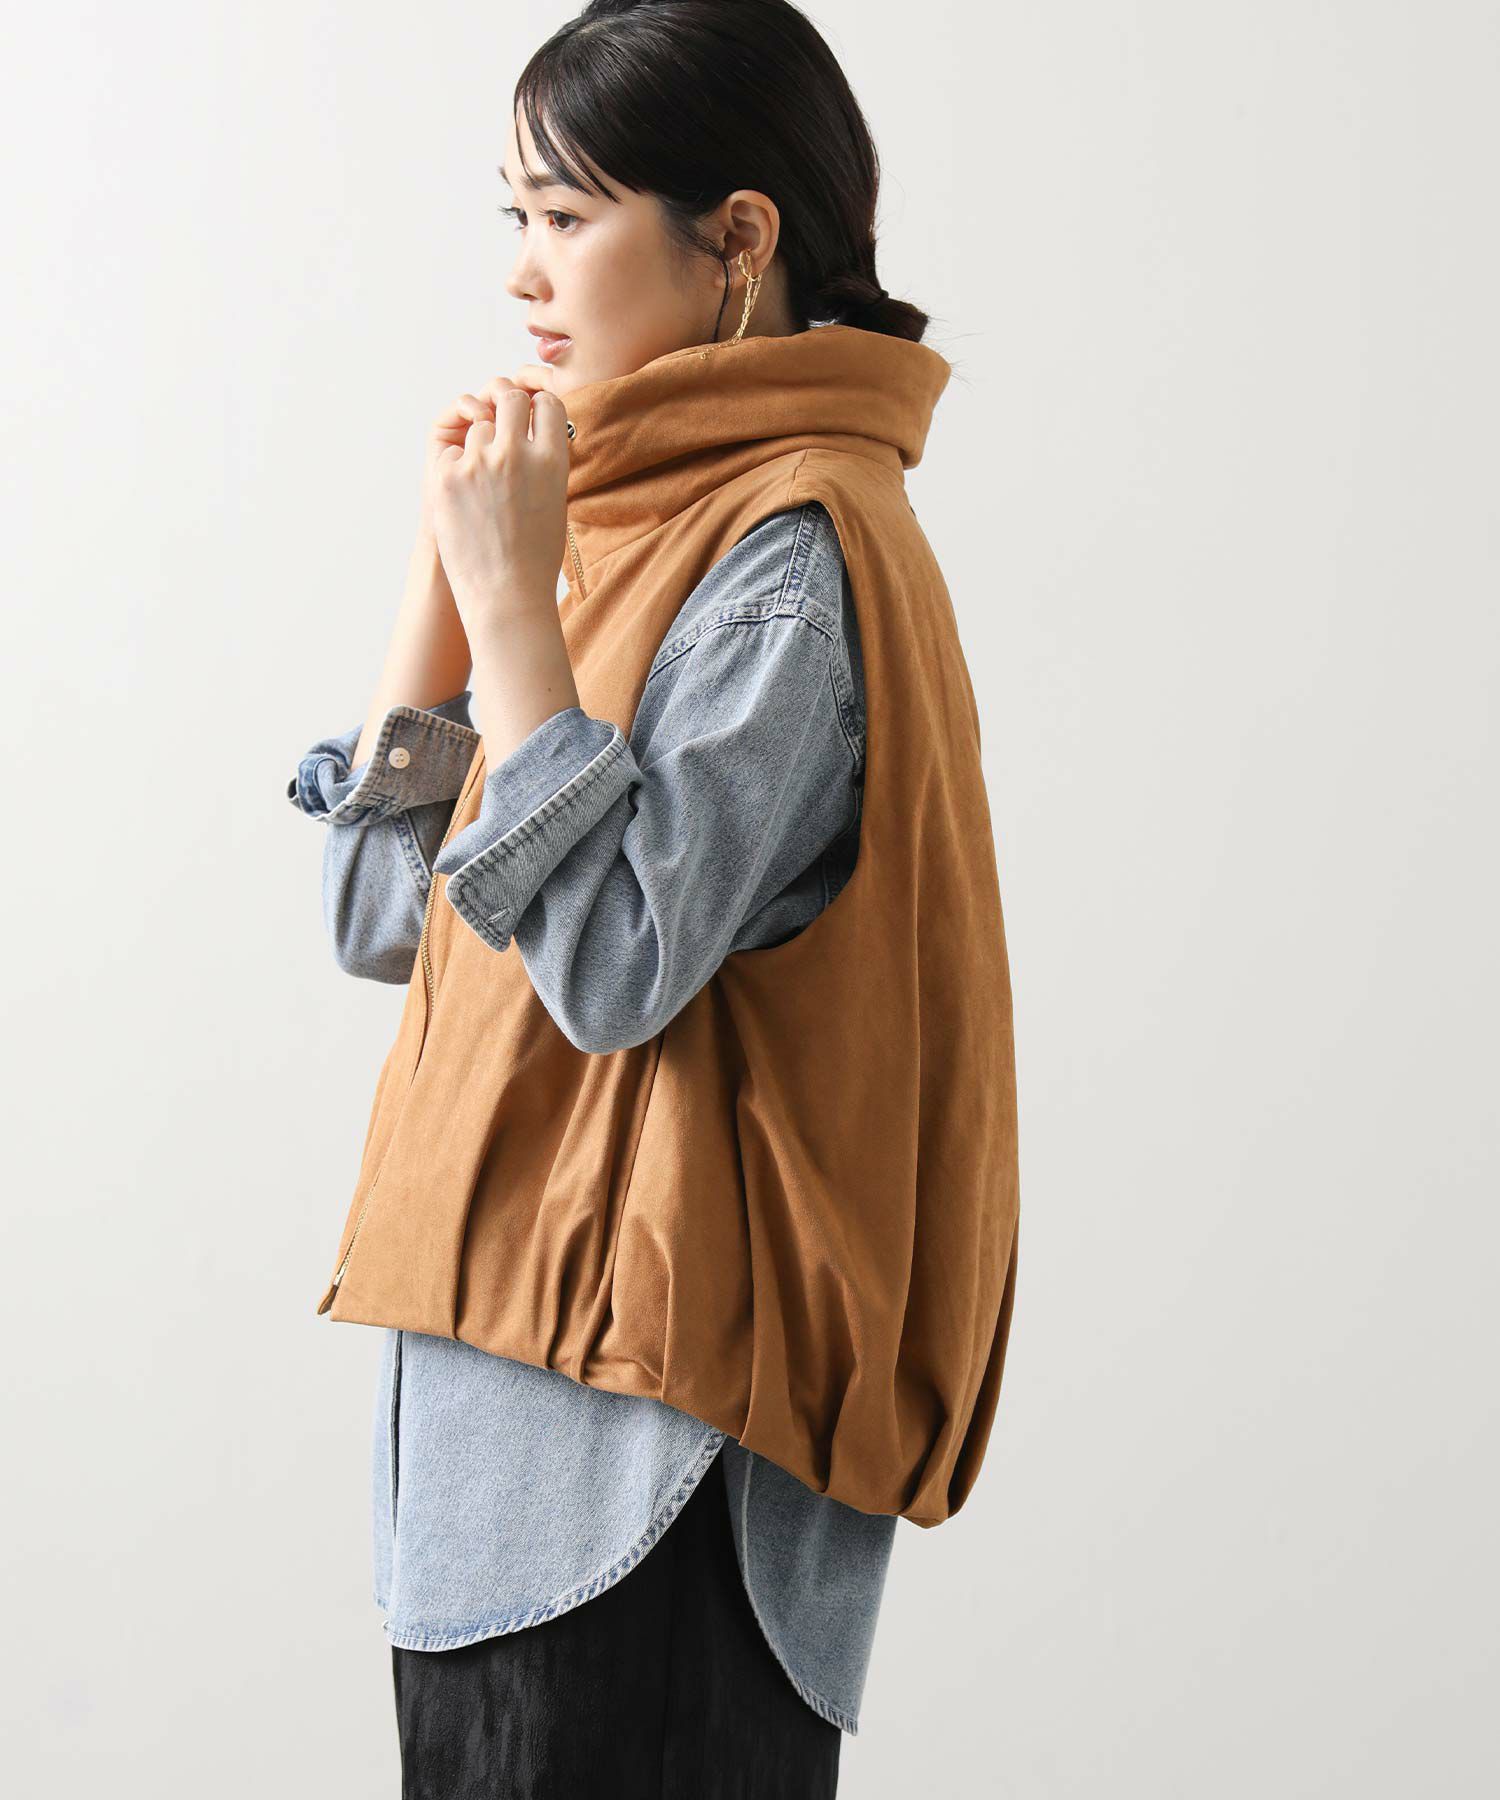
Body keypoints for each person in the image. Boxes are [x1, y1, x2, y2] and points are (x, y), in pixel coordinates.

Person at [285, 3, 1021, 1795]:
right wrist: (444, 588)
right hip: (501, 1412)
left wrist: (514, 614)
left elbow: (613, 968)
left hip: (657, 1455)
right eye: (516, 219)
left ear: (737, 238)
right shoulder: (608, 509)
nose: (524, 272)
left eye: (568, 216)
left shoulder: (790, 559)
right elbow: (382, 924)